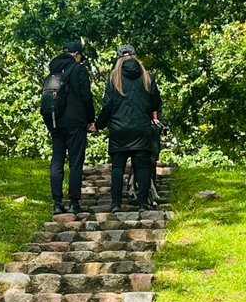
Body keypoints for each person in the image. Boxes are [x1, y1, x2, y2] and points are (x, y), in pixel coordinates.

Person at [97, 47, 162, 212]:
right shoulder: (147, 77)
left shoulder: (114, 78)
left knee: (118, 168)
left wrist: (98, 125)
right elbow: (155, 104)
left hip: (119, 130)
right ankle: (142, 204)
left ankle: (116, 204)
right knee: (142, 167)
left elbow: (107, 106)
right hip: (141, 128)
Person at [45, 40, 96, 216]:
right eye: (80, 56)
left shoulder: (53, 70)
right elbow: (86, 96)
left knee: (57, 161)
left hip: (55, 121)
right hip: (76, 122)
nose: (81, 60)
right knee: (75, 162)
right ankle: (74, 203)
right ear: (76, 54)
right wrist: (90, 119)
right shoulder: (78, 69)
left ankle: (57, 203)